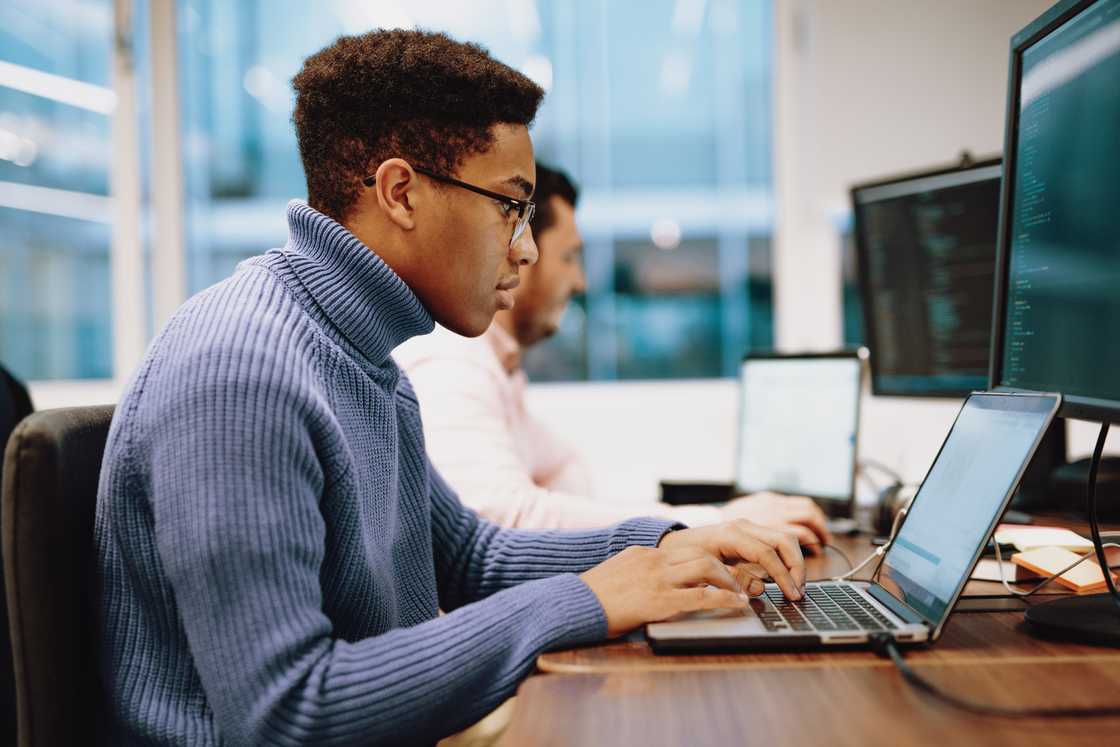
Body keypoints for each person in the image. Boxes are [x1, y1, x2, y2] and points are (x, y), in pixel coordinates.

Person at [94, 29, 805, 745]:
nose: (525, 248)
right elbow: (288, 713)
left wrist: (672, 542)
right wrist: (590, 597)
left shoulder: (367, 358)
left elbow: (469, 557)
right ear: (401, 193)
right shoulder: (243, 373)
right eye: (510, 206)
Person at [395, 163, 832, 547]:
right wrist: (718, 522)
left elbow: (566, 471)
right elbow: (505, 520)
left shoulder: (496, 362)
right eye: (569, 258)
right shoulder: (451, 361)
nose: (581, 282)